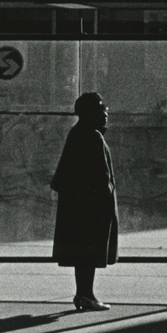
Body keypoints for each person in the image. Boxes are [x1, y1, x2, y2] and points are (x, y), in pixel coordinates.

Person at [52, 91, 119, 312]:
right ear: (89, 113)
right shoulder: (93, 136)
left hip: (78, 207)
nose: (105, 112)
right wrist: (107, 202)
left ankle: (84, 294)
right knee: (89, 253)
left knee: (83, 254)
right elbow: (101, 176)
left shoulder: (77, 133)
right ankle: (86, 295)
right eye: (101, 108)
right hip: (91, 208)